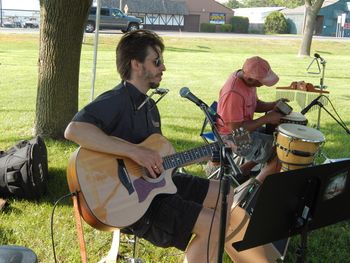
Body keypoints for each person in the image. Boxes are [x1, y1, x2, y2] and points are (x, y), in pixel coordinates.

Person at [65, 30, 280, 262]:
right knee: (215, 223)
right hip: (132, 202)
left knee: (225, 192)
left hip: (157, 186)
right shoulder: (116, 99)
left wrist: (213, 150)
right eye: (156, 61)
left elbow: (160, 160)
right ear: (136, 65)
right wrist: (136, 152)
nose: (163, 67)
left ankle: (224, 249)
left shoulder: (149, 107)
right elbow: (74, 130)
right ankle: (211, 238)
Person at [217, 56, 288, 182]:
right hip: (232, 139)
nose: (263, 84)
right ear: (250, 79)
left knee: (276, 136)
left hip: (242, 130)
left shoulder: (247, 80)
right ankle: (255, 188)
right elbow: (236, 130)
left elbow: (255, 104)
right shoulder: (233, 93)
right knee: (281, 152)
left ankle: (243, 169)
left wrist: (273, 105)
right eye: (262, 81)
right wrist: (266, 118)